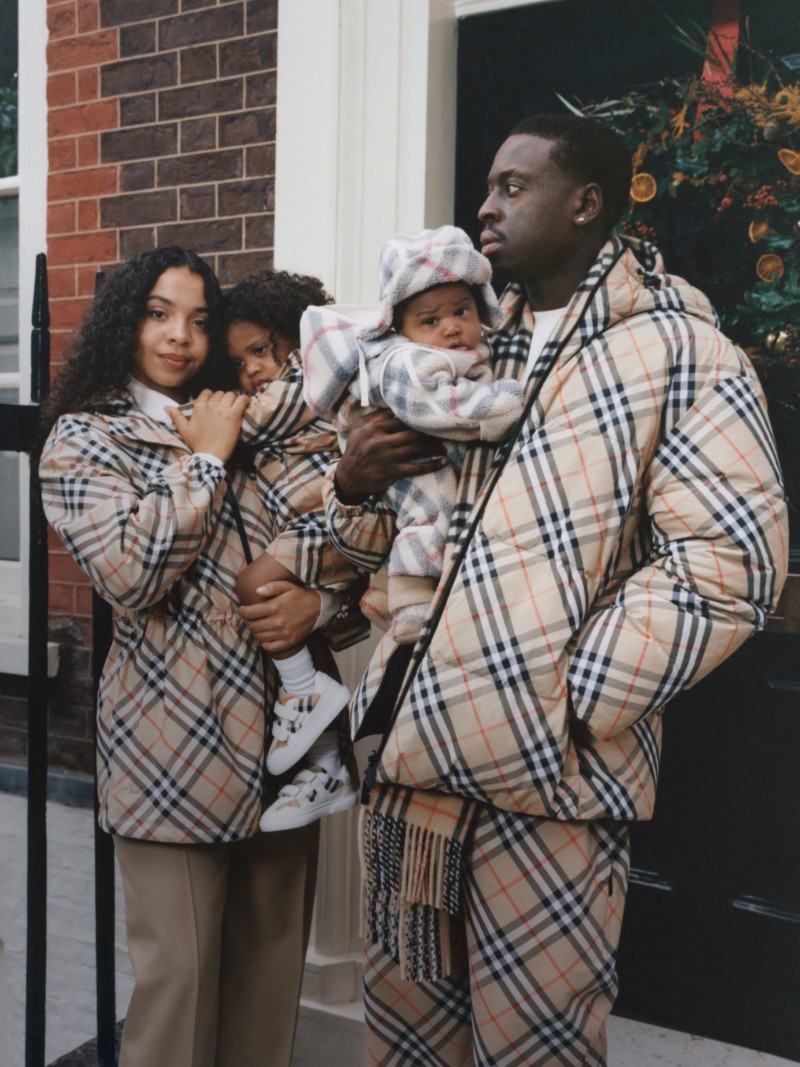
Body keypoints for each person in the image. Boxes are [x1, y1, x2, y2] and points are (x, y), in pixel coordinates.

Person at [324, 115, 789, 1065]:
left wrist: (572, 696)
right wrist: (354, 484)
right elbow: (378, 544)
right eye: (488, 187)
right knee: (408, 1045)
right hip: (414, 772)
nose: (485, 207)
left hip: (550, 786)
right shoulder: (456, 347)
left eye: (511, 186)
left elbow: (734, 557)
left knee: (534, 1049)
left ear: (586, 203)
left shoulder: (680, 352)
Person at [36, 247, 329, 1067]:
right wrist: (203, 461)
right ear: (125, 322)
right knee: (180, 987)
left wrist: (324, 601)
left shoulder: (247, 411)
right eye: (160, 313)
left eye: (201, 320)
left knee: (271, 981)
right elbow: (131, 575)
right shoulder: (84, 439)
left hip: (286, 734)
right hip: (173, 746)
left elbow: (327, 539)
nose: (180, 336)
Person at [301, 225, 525, 644]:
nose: (451, 328)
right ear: (400, 327)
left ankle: (385, 589)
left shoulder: (467, 351)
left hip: (435, 452)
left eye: (462, 311)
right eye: (430, 320)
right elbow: (439, 405)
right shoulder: (404, 360)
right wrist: (503, 405)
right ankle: (411, 605)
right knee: (431, 509)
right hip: (407, 457)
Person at [221, 268, 361, 831]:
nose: (251, 370)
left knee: (254, 584)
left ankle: (304, 694)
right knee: (300, 632)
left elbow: (249, 421)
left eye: (259, 351)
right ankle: (329, 767)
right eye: (237, 362)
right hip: (307, 527)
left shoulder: (308, 380)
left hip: (325, 520)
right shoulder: (283, 382)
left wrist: (189, 419)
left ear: (295, 341)